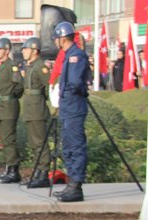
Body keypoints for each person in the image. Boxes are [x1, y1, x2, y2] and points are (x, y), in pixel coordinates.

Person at [53, 22, 90, 202]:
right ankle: (71, 184)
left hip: (74, 107)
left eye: (56, 39)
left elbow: (75, 83)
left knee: (75, 147)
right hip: (68, 108)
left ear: (62, 38)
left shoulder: (76, 56)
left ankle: (76, 186)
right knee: (67, 147)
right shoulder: (69, 55)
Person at [0, 38, 24, 184]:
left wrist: (10, 96)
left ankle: (13, 170)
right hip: (2, 107)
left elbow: (19, 86)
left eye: (0, 49)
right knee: (4, 139)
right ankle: (8, 167)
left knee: (9, 139)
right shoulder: (2, 66)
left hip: (9, 106)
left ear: (7, 50)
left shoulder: (11, 66)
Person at [20, 37, 51, 189]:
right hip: (30, 110)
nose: (23, 52)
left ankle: (43, 173)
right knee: (34, 143)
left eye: (26, 49)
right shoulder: (30, 67)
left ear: (34, 50)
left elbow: (50, 86)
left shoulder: (40, 67)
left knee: (40, 143)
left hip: (37, 110)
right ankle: (38, 171)